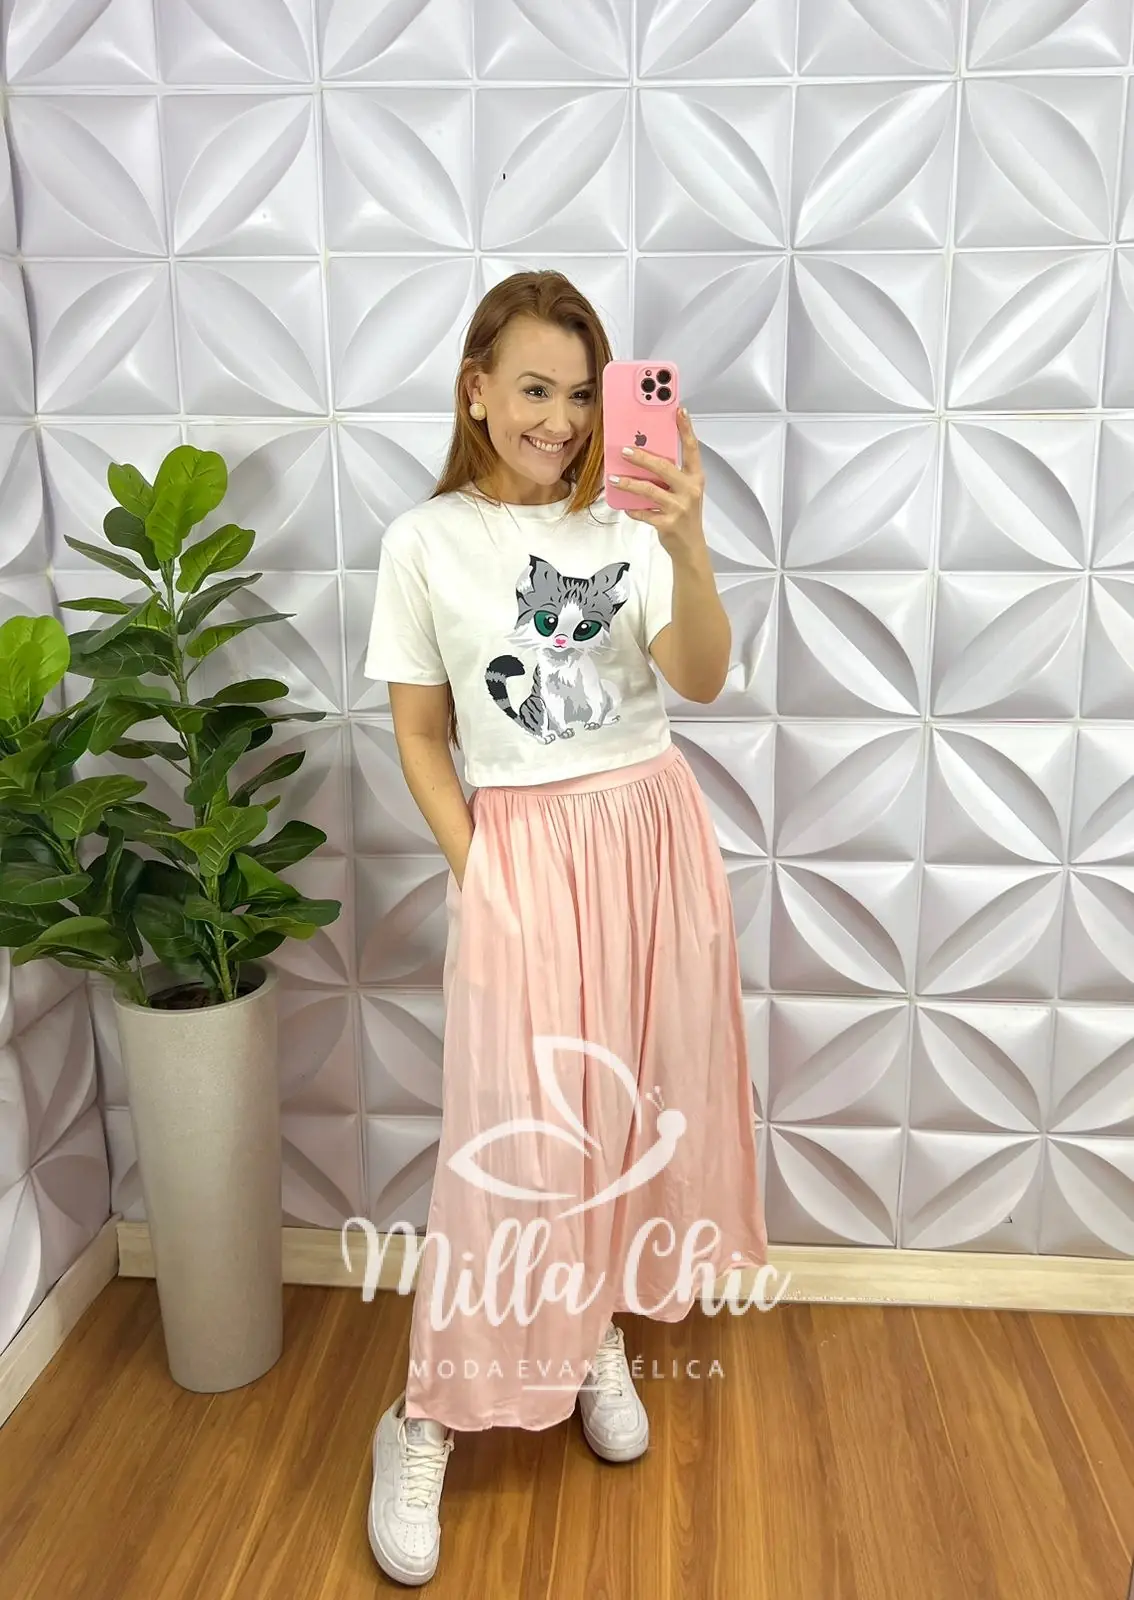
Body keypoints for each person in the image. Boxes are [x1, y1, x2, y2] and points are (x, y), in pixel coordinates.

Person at [361, 269, 768, 1587]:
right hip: (524, 854)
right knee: (509, 1146)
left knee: (626, 1112)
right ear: (476, 389)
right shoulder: (425, 542)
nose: (560, 419)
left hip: (649, 837)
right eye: (533, 388)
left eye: (583, 395)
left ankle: (588, 1327)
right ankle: (423, 1416)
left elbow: (700, 679)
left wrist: (691, 541)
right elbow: (420, 735)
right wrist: (483, 872)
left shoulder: (630, 525)